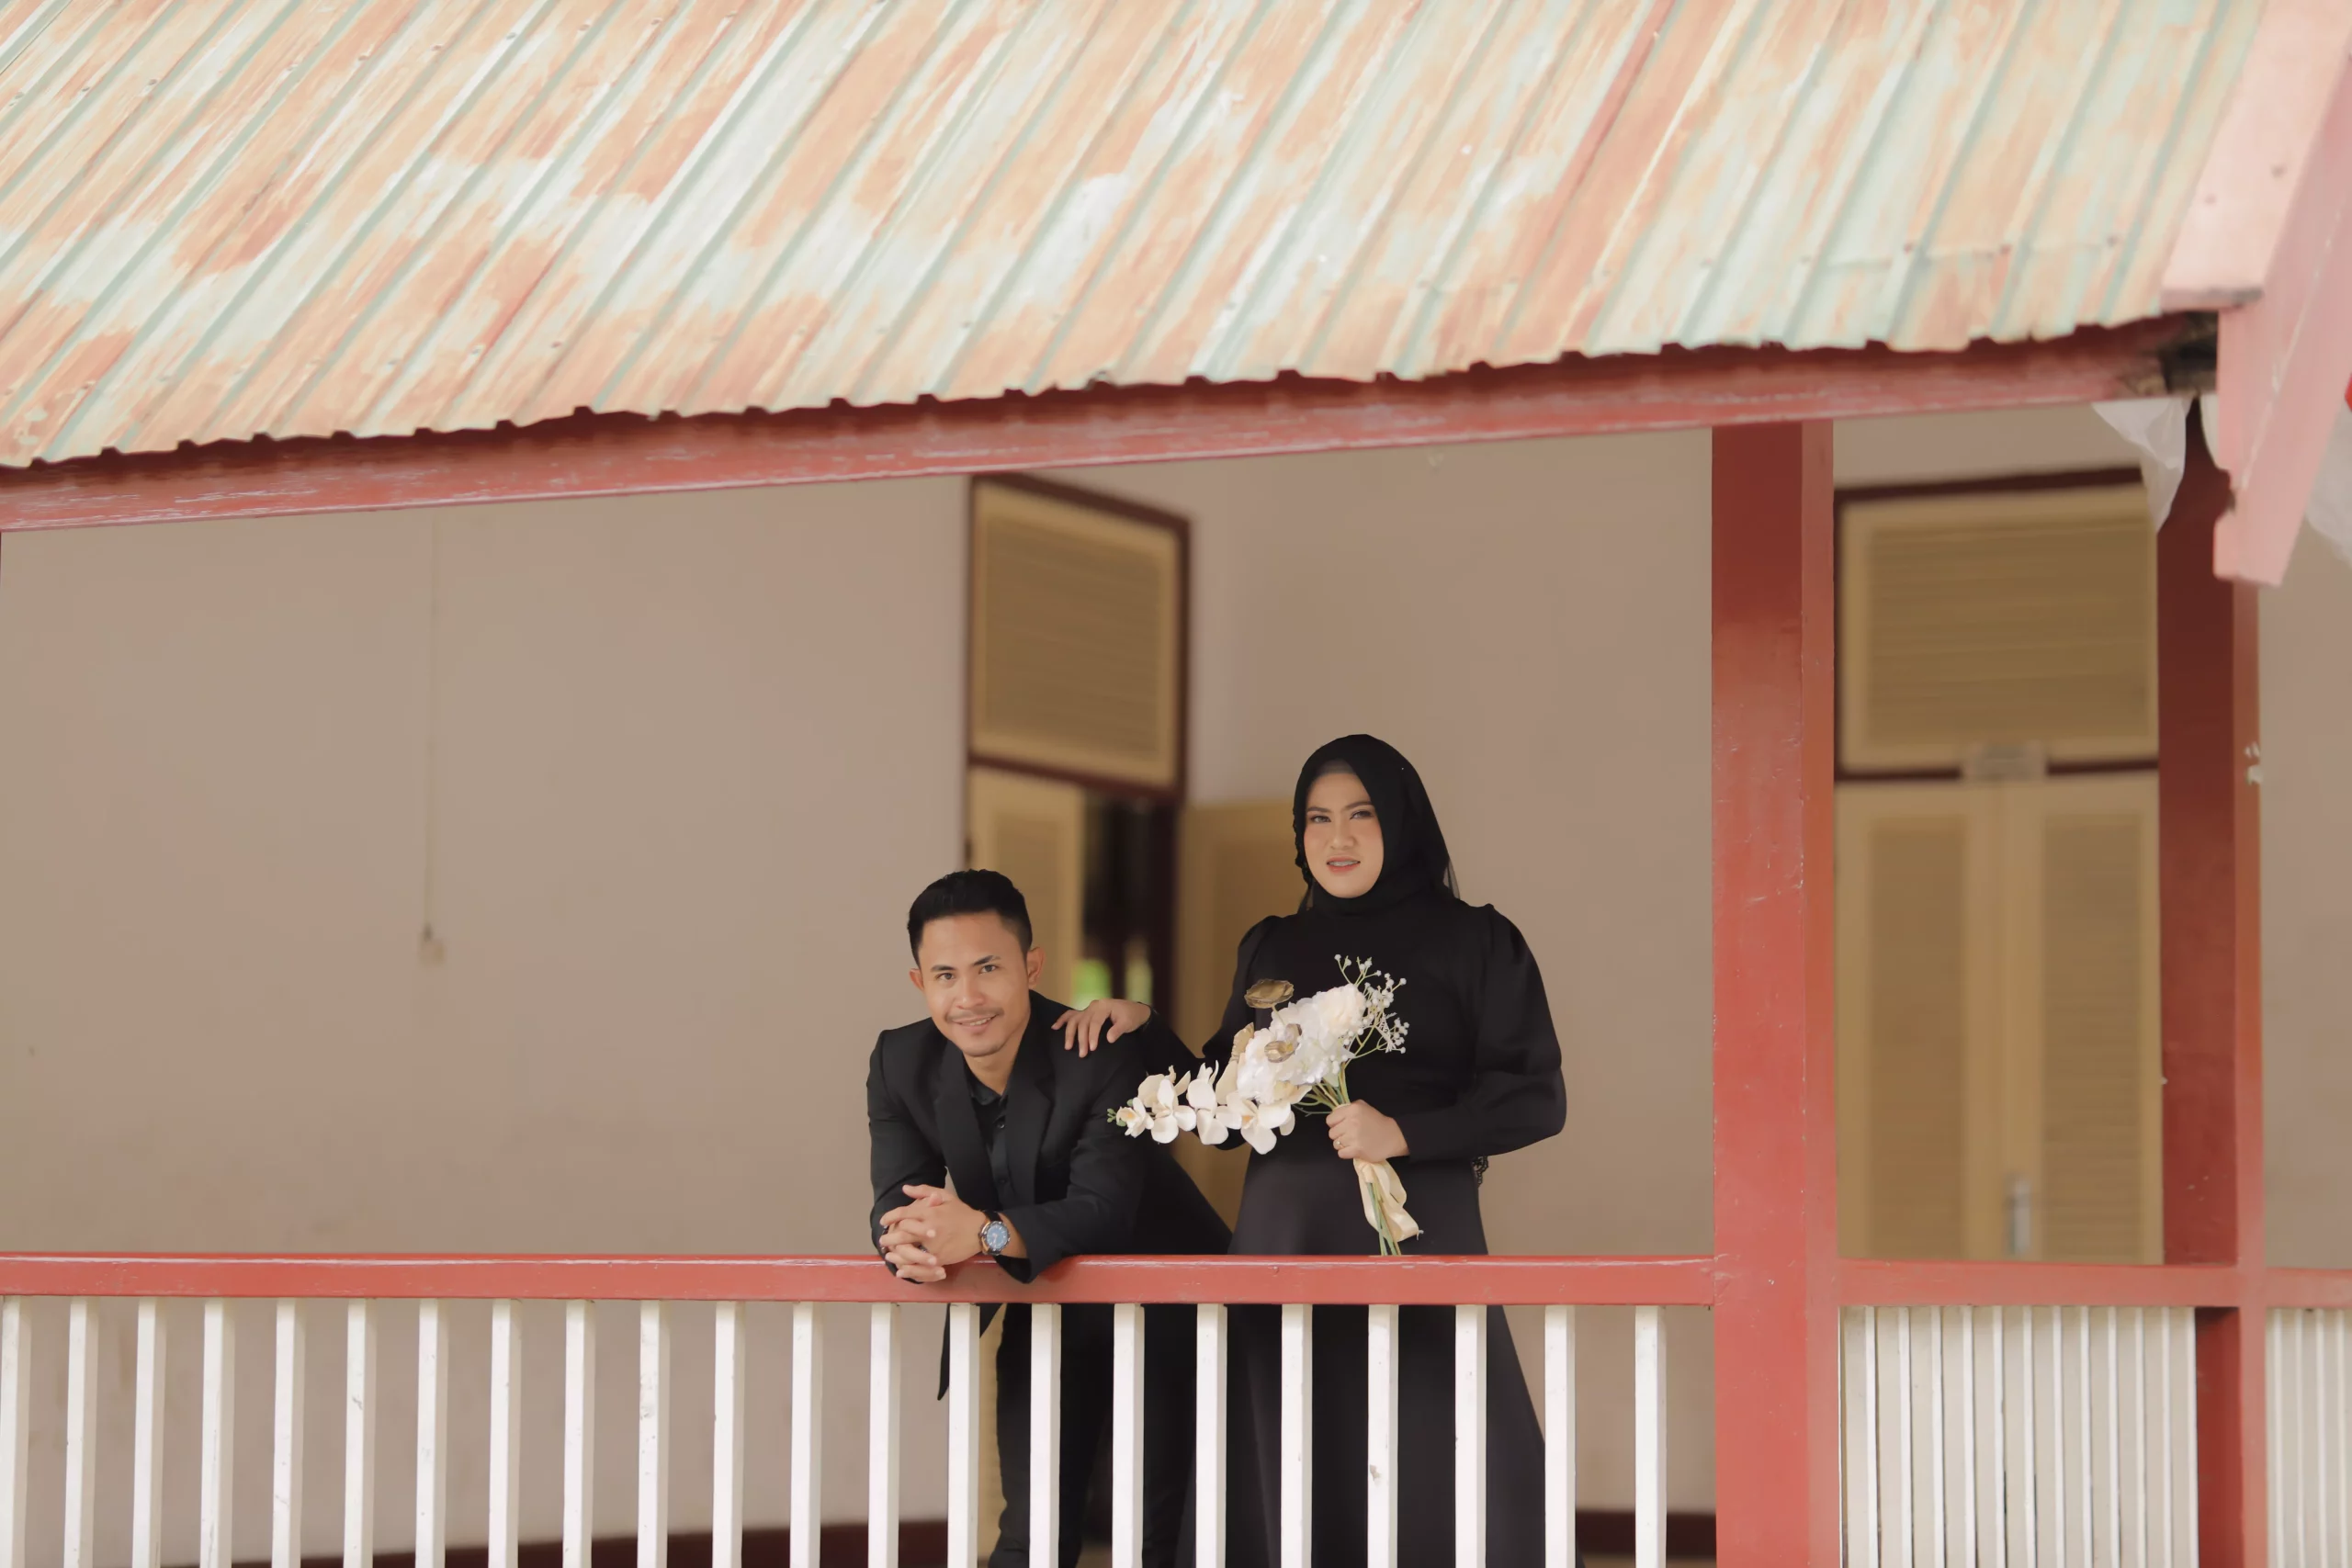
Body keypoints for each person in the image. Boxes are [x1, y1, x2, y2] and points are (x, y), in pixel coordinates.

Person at [1061, 735, 1566, 1567]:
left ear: (1401, 821)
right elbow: (1229, 1096)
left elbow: (1536, 1096)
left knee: (1431, 1445)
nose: (1338, 837)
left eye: (1361, 814)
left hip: (1413, 1234)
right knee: (1289, 1445)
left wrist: (1405, 1134)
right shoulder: (1271, 946)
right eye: (1318, 818)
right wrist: (1145, 1030)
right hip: (1283, 1237)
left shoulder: (1478, 941)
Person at [868, 869, 1229, 1568]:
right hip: (1045, 1301)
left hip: (1168, 1308)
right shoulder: (900, 1062)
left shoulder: (1096, 1052)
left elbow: (1102, 1211)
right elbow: (897, 1198)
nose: (967, 997)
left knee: (1154, 1539)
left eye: (988, 968)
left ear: (1030, 967)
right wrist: (906, 1240)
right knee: (1030, 1536)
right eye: (945, 975)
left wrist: (982, 1232)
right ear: (919, 982)